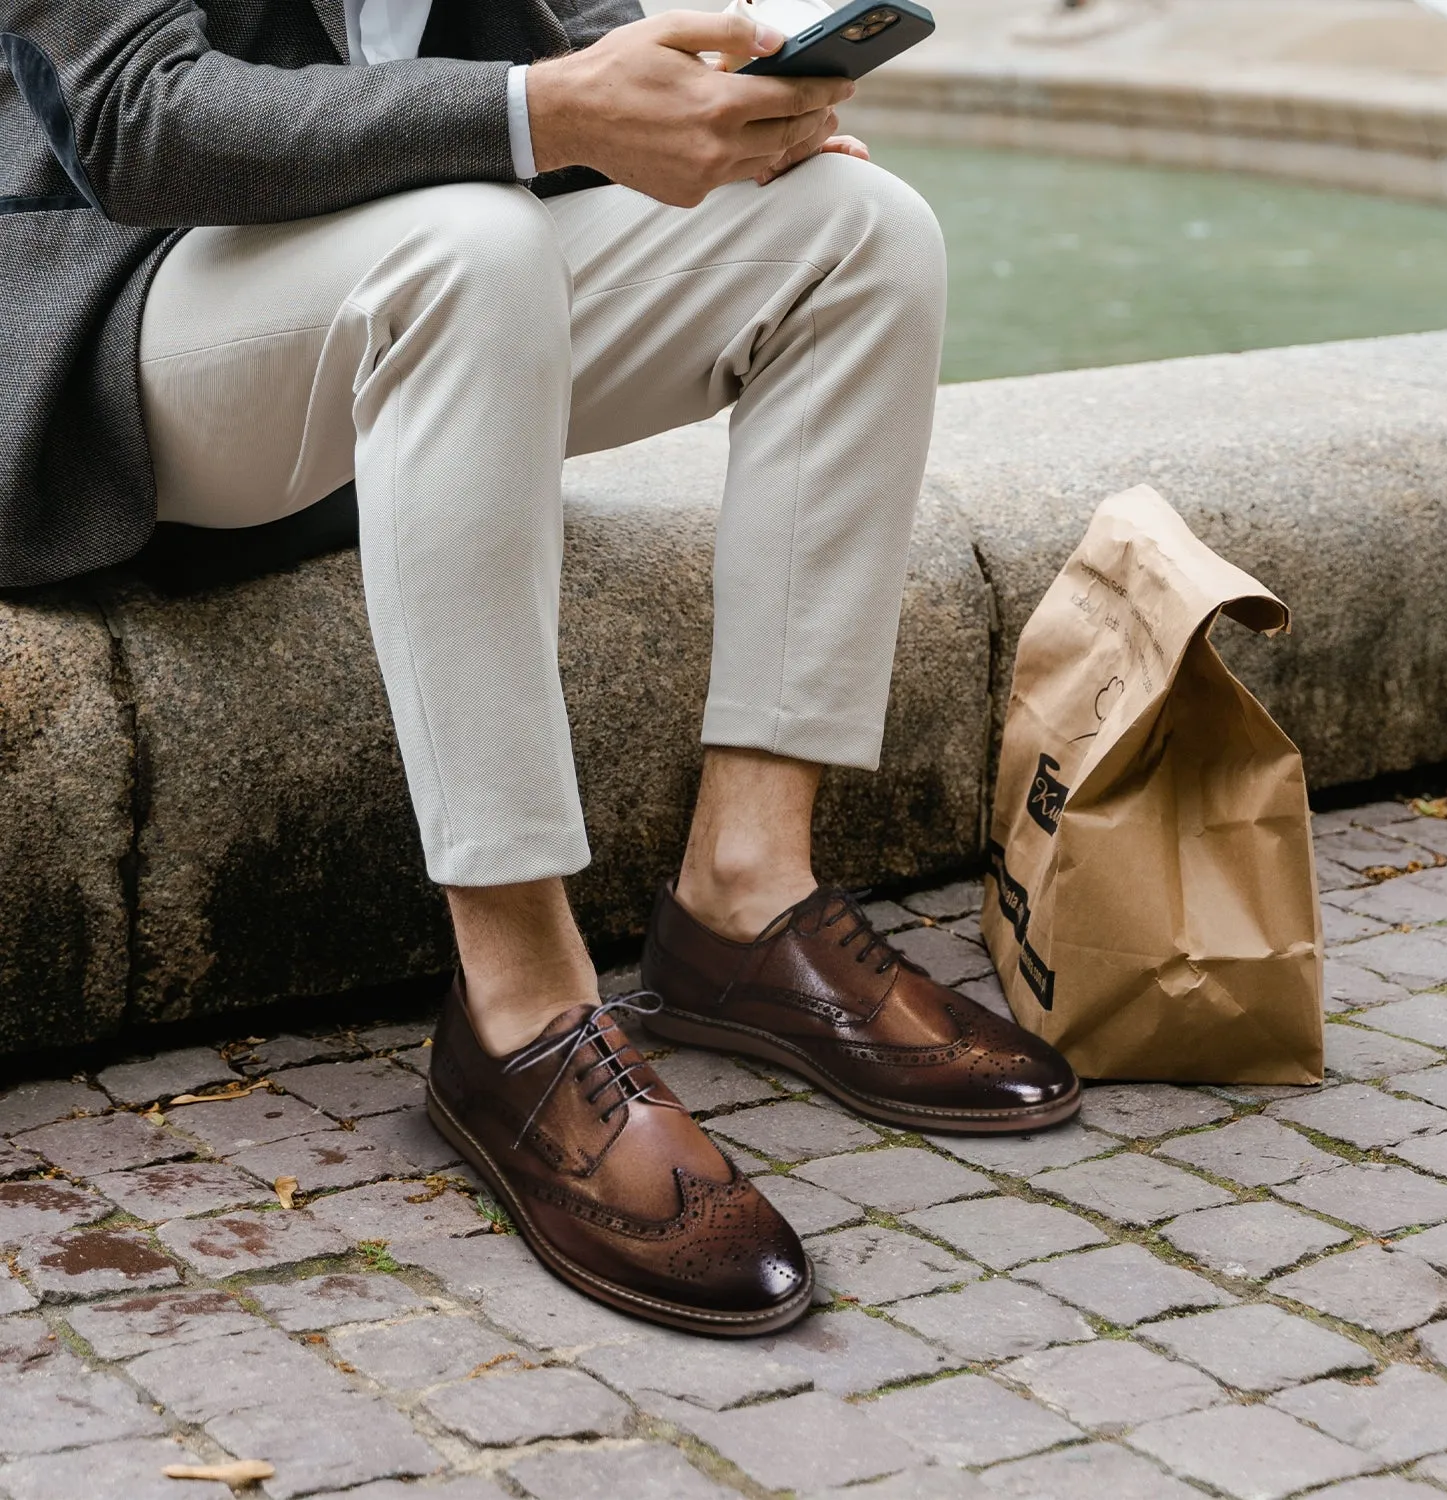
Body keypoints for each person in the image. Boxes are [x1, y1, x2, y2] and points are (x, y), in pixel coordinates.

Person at [0, 0, 1080, 1336]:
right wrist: (549, 109)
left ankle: (745, 894)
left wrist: (716, 115)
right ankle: (519, 1011)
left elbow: (583, 40)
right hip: (114, 322)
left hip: (410, 298)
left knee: (861, 233)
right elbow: (130, 118)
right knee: (475, 242)